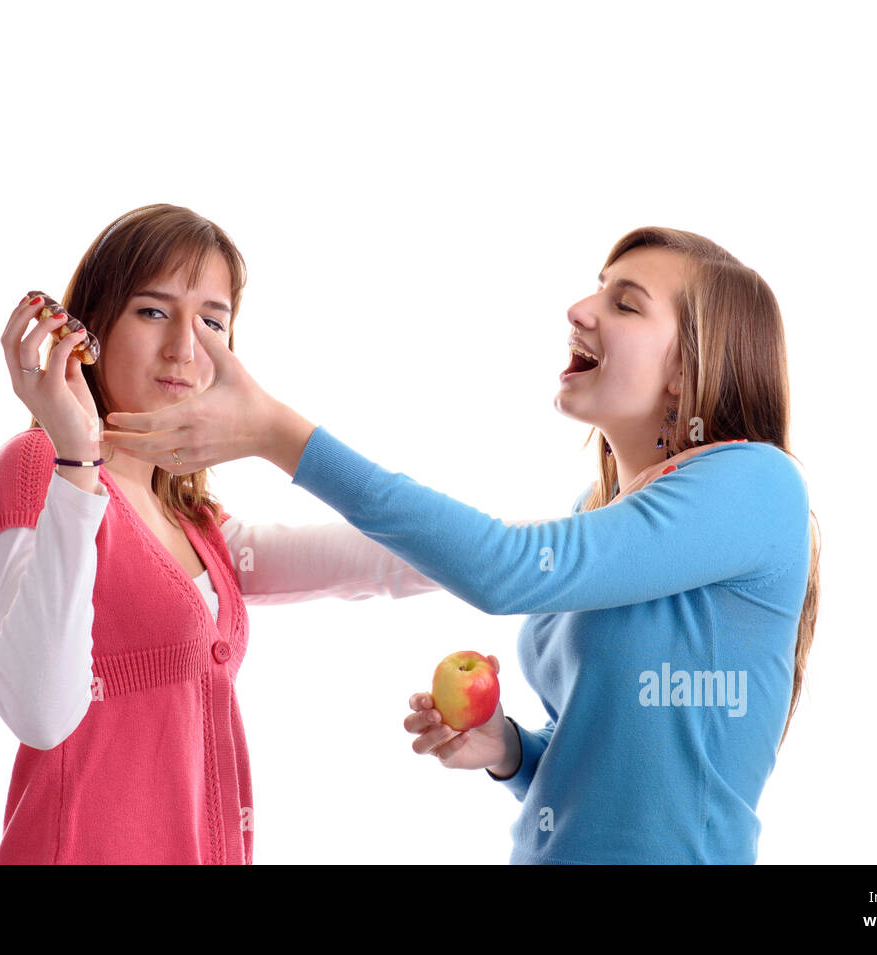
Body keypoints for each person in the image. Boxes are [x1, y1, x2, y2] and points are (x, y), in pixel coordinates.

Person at [98, 225, 822, 864]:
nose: (580, 309)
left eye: (626, 303)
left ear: (687, 369)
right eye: (598, 289)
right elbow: (602, 774)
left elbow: (506, 570)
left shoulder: (756, 485)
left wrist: (281, 438)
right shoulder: (594, 514)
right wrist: (510, 750)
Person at [0, 204, 438, 865]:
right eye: (153, 311)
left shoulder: (199, 526)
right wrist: (78, 457)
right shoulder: (42, 467)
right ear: (92, 328)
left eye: (212, 321)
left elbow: (384, 559)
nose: (185, 348)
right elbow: (41, 711)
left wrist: (575, 540)